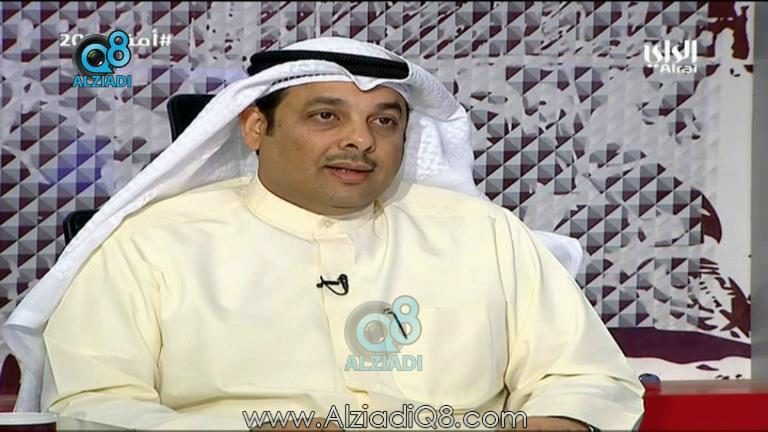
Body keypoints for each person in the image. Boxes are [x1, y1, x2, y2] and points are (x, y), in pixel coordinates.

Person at [3, 37, 643, 430]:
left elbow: (588, 377)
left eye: (384, 121)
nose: (360, 141)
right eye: (325, 116)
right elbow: (91, 407)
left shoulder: (486, 235)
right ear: (256, 127)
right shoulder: (153, 244)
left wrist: (562, 421)